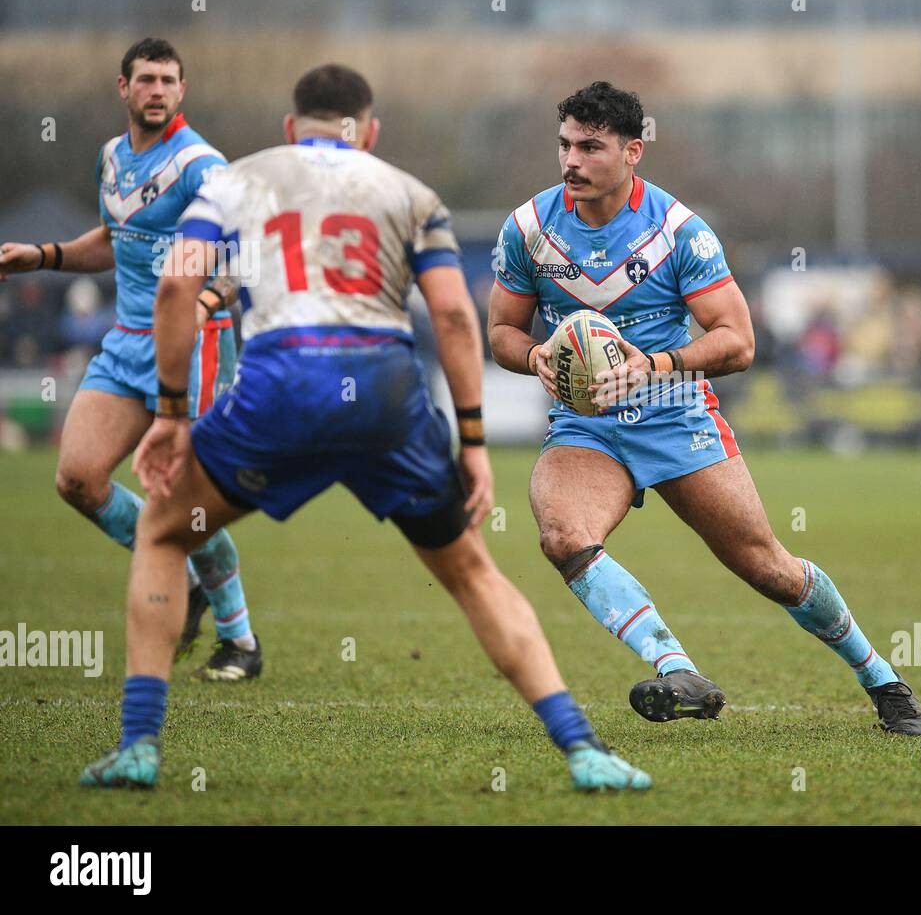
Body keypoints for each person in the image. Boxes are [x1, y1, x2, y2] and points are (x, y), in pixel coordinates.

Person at [79, 64, 651, 792]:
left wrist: (167, 414)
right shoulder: (409, 192)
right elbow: (450, 315)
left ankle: (138, 747)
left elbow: (174, 286)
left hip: (279, 387)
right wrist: (472, 444)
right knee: (472, 571)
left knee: (163, 532)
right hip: (381, 392)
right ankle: (583, 751)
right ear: (369, 133)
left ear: (292, 129)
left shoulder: (238, 179)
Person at [488, 81, 921, 735]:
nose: (570, 161)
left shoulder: (678, 233)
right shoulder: (529, 228)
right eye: (564, 146)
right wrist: (537, 359)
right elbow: (500, 331)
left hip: (674, 414)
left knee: (767, 567)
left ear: (633, 151)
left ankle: (883, 681)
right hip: (586, 427)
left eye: (590, 147)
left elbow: (737, 341)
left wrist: (654, 364)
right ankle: (675, 669)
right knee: (564, 538)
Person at [0, 38, 259, 679]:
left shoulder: (202, 165)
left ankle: (240, 641)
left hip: (195, 346)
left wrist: (202, 301)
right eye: (146, 79)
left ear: (182, 90)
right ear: (124, 88)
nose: (157, 90)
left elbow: (247, 254)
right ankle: (189, 569)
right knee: (77, 478)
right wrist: (45, 255)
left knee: (186, 502)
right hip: (125, 342)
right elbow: (115, 240)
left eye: (169, 80)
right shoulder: (111, 158)